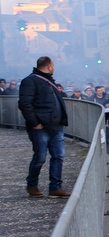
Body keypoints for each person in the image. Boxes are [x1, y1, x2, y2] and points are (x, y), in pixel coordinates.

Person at [18, 56, 71, 198]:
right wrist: (35, 122)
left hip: (56, 126)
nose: (53, 68)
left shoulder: (49, 82)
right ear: (49, 66)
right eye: (53, 66)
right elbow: (24, 104)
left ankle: (55, 187)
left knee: (58, 156)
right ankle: (32, 185)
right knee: (40, 157)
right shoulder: (30, 81)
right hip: (40, 127)